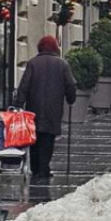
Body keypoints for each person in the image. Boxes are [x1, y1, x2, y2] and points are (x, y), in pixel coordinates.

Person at [12, 36, 77, 180]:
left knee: (34, 140)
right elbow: (71, 85)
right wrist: (71, 98)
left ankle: (36, 169)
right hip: (53, 109)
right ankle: (44, 168)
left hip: (33, 109)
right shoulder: (62, 64)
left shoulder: (33, 63)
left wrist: (18, 104)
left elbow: (24, 86)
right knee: (48, 140)